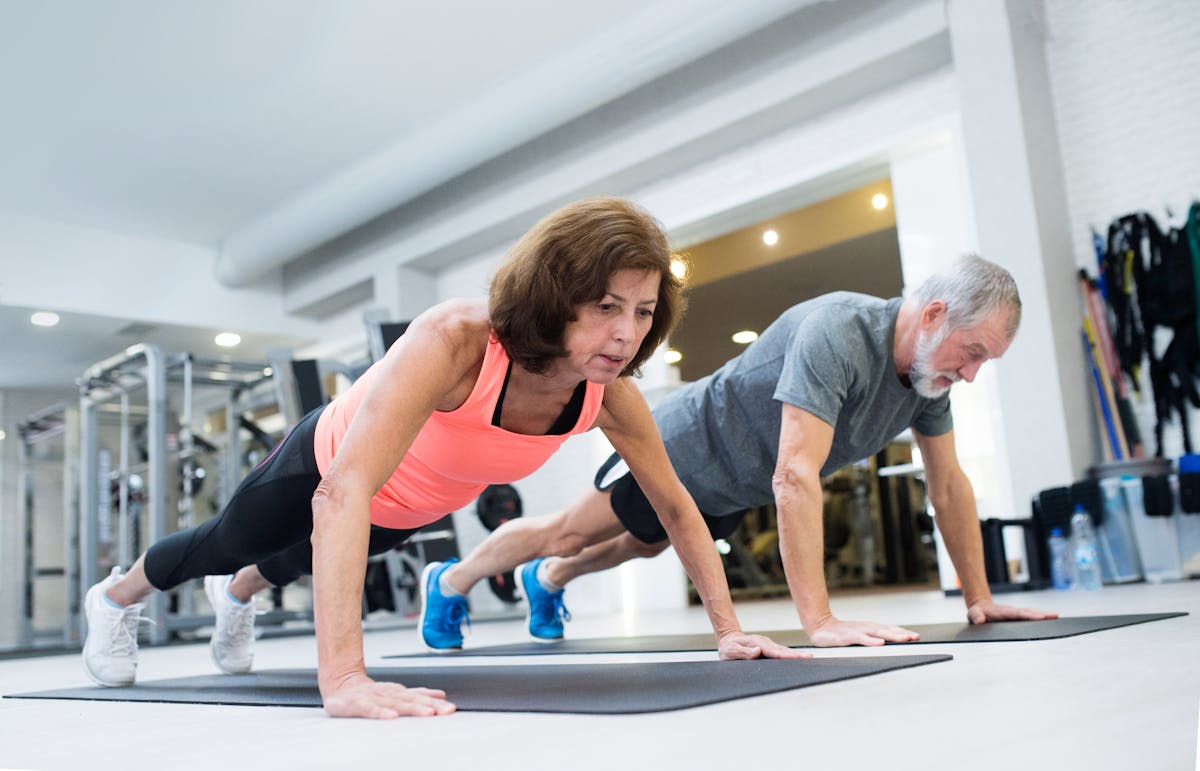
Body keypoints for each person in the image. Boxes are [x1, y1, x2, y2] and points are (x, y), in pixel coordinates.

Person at [80, 196, 802, 720]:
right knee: (228, 543)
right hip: (328, 466)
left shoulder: (607, 392)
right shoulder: (458, 340)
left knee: (291, 562)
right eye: (607, 306)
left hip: (413, 502)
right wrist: (345, 678)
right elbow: (341, 493)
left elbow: (677, 504)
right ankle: (115, 598)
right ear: (557, 296)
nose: (626, 332)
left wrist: (728, 629)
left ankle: (236, 596)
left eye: (643, 312)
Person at [422, 255, 1057, 650]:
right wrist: (821, 621)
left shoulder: (926, 379)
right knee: (568, 531)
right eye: (971, 353)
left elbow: (947, 485)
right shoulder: (839, 331)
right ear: (934, 315)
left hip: (734, 485)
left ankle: (548, 581)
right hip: (682, 447)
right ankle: (450, 581)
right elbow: (795, 474)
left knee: (643, 544)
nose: (970, 373)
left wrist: (979, 595)